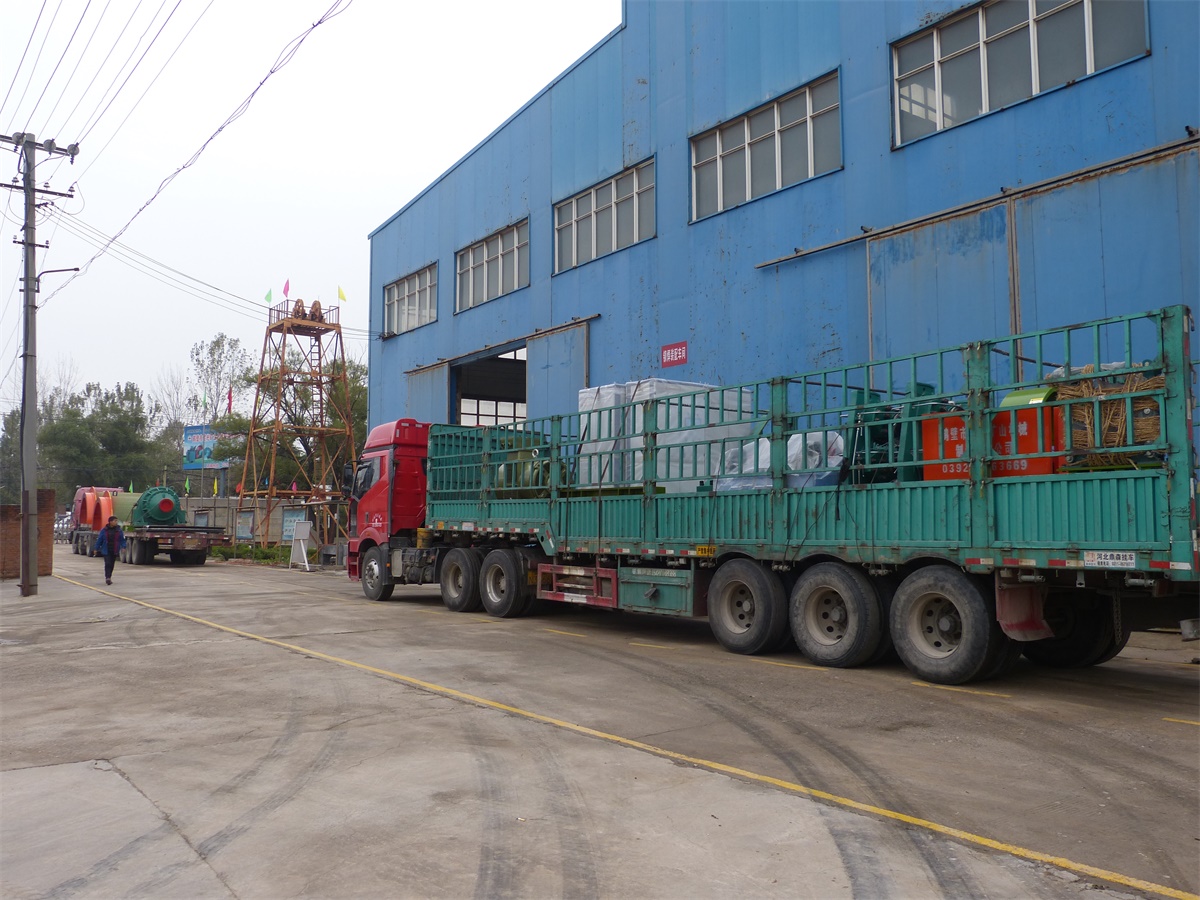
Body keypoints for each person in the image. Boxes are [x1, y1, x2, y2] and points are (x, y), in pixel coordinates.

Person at [93, 516, 127, 586]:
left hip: (114, 550)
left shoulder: (119, 530)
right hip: (106, 550)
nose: (116, 522)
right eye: (115, 521)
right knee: (107, 563)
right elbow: (100, 540)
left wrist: (123, 547)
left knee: (111, 564)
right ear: (110, 522)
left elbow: (122, 540)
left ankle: (109, 576)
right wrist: (96, 548)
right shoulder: (104, 530)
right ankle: (107, 577)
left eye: (116, 521)